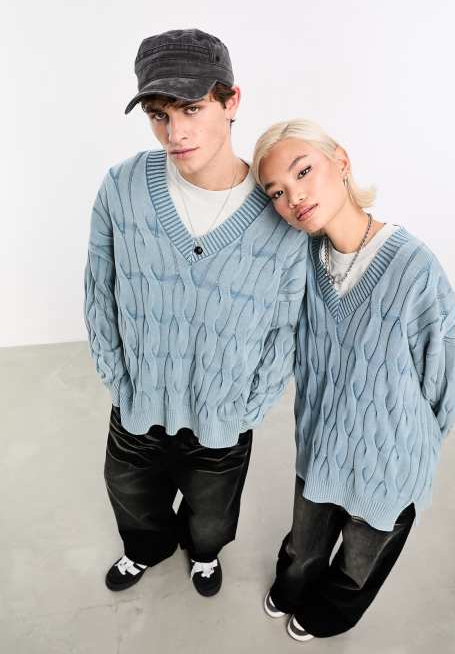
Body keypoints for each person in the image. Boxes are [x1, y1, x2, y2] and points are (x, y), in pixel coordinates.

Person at [83, 30, 306, 598]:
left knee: (211, 516)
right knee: (132, 497)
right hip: (138, 402)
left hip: (223, 415)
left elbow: (286, 325)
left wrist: (247, 406)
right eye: (158, 115)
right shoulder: (123, 188)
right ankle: (145, 550)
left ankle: (203, 555)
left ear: (231, 102)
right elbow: (99, 291)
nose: (174, 132)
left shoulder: (279, 213)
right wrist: (119, 380)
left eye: (191, 108)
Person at [252, 119, 455, 640]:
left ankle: (328, 614)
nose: (294, 197)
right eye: (276, 192)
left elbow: (447, 371)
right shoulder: (302, 261)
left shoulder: (412, 266)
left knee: (359, 560)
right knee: (304, 541)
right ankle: (293, 584)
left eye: (303, 171)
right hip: (320, 445)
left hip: (390, 460)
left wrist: (411, 446)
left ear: (342, 162)